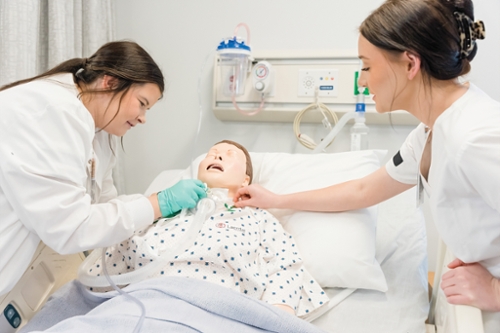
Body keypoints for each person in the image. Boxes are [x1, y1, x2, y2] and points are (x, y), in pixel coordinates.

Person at [233, 0, 500, 329]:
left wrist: (494, 290)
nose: (362, 81)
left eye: (368, 66)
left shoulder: (475, 139)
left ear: (410, 64)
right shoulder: (430, 132)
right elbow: (362, 190)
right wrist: (277, 200)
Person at [0, 41, 206, 297]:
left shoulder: (100, 131)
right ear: (109, 82)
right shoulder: (52, 111)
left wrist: (154, 211)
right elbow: (70, 227)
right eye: (142, 103)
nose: (143, 118)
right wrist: (157, 204)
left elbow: (105, 205)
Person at [83, 140, 329, 317]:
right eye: (212, 153)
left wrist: (276, 318)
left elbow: (285, 265)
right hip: (139, 307)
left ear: (246, 180)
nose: (217, 156)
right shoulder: (160, 210)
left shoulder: (257, 219)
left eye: (230, 154)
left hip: (216, 313)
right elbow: (109, 265)